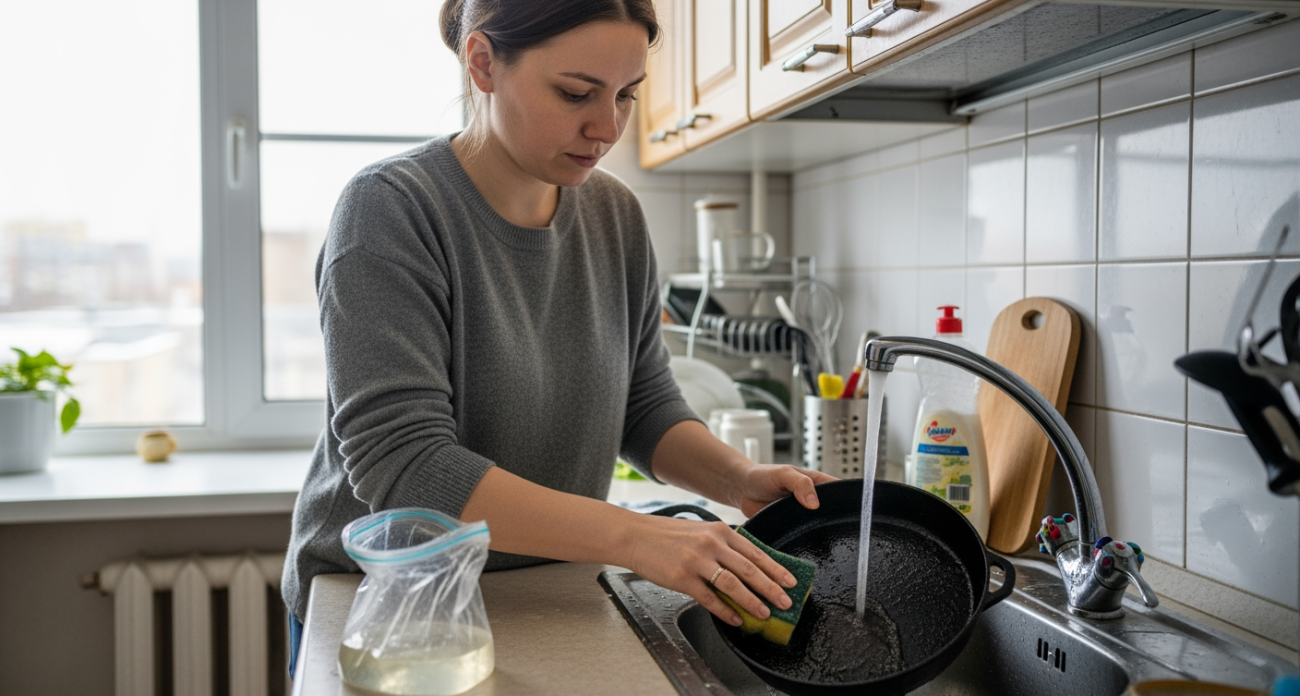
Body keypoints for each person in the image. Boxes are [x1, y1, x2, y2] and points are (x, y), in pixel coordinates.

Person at [281, 0, 836, 677]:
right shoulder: (391, 209)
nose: (606, 127)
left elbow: (644, 405)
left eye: (626, 95)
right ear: (482, 62)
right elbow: (407, 469)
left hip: (546, 589)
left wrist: (737, 477)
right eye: (576, 92)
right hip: (394, 610)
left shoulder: (615, 216)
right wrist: (639, 537)